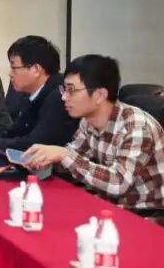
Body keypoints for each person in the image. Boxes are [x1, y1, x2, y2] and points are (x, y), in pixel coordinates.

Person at [24, 55, 164, 216]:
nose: (64, 97)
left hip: (147, 215)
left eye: (71, 90)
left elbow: (119, 183)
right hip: (111, 206)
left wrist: (64, 155)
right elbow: (74, 157)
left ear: (100, 95)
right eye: (64, 89)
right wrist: (45, 158)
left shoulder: (137, 127)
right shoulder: (88, 121)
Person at [0, 35, 78, 157]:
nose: (10, 73)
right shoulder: (32, 92)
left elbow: (32, 146)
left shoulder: (59, 97)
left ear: (36, 69)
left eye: (14, 67)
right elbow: (13, 132)